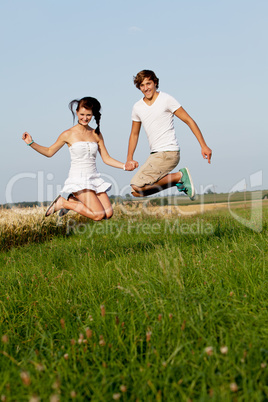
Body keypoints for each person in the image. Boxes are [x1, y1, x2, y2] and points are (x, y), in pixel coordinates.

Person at [22, 97, 135, 221]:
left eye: (88, 115)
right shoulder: (68, 134)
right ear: (76, 113)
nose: (85, 118)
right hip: (78, 179)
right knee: (98, 215)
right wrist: (31, 143)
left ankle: (71, 200)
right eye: (82, 114)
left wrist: (124, 166)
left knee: (108, 214)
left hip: (94, 178)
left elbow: (106, 158)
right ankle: (64, 203)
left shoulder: (96, 134)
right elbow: (49, 152)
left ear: (93, 115)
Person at [125, 70, 212, 199]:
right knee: (137, 192)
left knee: (136, 185)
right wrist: (129, 158)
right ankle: (177, 181)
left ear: (155, 83)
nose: (145, 88)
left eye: (148, 84)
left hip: (168, 152)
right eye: (142, 85)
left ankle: (179, 176)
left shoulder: (166, 99)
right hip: (155, 154)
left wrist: (203, 145)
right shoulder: (137, 107)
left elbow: (189, 120)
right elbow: (134, 134)